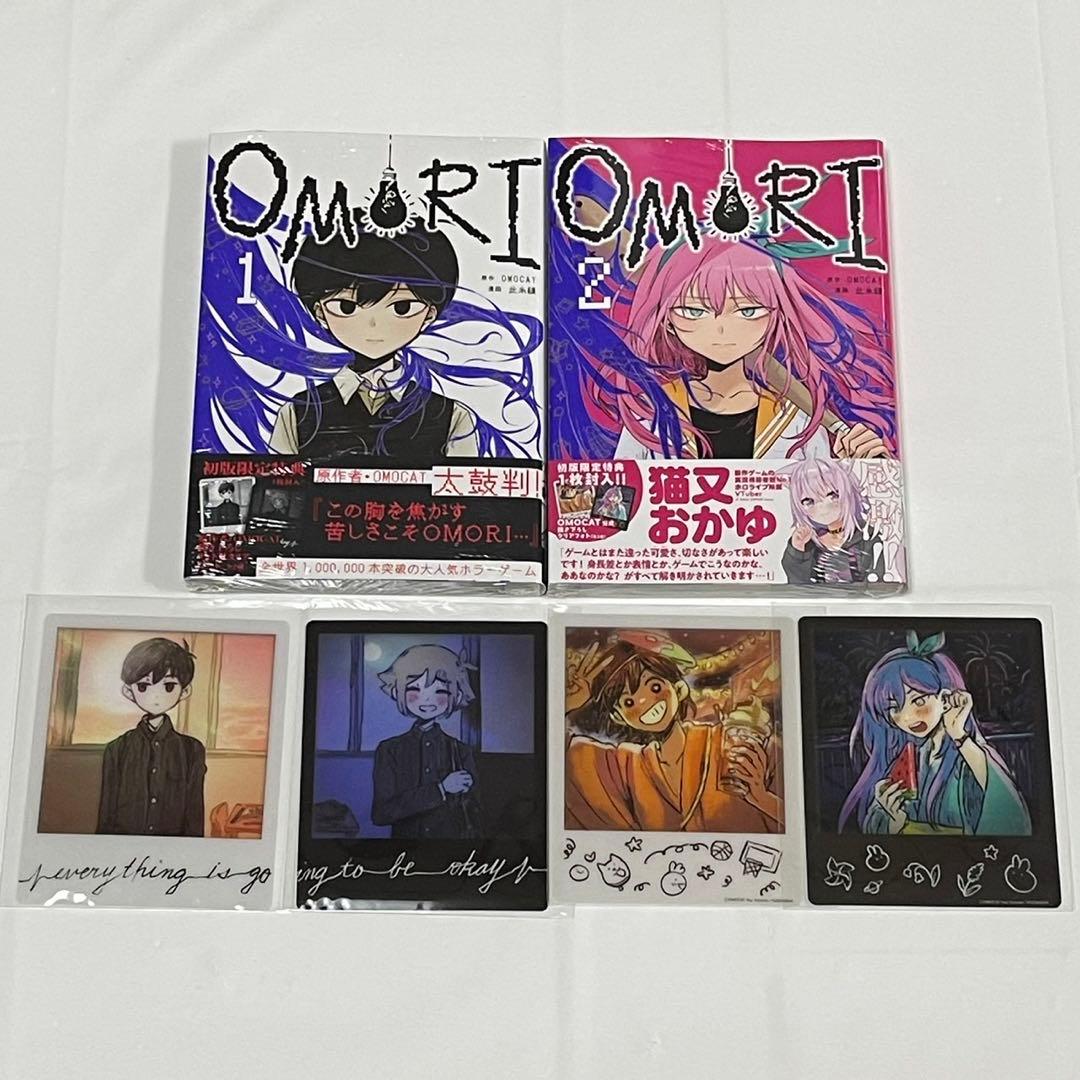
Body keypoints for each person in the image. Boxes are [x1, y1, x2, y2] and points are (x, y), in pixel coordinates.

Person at [564, 635, 783, 832]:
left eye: (655, 687)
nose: (644, 702)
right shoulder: (626, 766)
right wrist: (567, 705)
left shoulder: (735, 745)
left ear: (679, 689)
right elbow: (564, 759)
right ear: (619, 717)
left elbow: (800, 817)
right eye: (628, 702)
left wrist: (761, 797)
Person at [839, 631, 1031, 835]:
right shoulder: (912, 758)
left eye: (919, 700)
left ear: (945, 697)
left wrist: (958, 734)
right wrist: (890, 821)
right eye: (894, 708)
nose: (906, 717)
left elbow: (1011, 819)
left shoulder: (972, 756)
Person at [97, 638, 206, 837]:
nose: (156, 696)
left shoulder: (192, 750)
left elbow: (194, 816)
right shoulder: (117, 749)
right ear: (128, 692)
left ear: (185, 691)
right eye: (143, 687)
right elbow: (106, 815)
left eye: (169, 686)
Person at [372, 644, 482, 839]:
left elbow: (475, 811)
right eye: (415, 689)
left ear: (456, 695)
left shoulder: (461, 750)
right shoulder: (389, 750)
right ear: (397, 692)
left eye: (439, 691)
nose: (427, 699)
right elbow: (381, 814)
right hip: (403, 849)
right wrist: (441, 789)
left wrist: (466, 790)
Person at [782, 458, 884, 584]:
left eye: (833, 496)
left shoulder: (867, 536)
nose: (822, 508)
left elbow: (878, 578)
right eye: (809, 502)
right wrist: (798, 550)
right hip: (818, 596)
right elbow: (798, 582)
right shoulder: (810, 542)